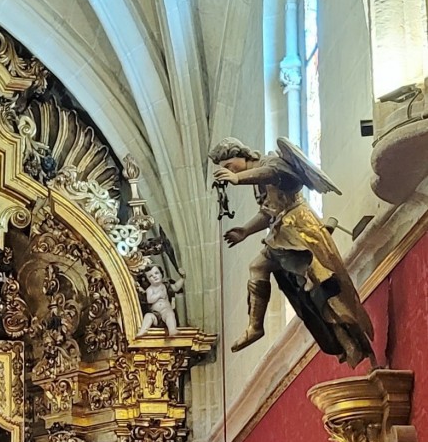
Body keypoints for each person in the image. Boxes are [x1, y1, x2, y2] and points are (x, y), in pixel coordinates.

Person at [209, 136, 375, 367]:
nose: (228, 170)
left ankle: (349, 334)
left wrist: (237, 178)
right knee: (258, 267)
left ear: (242, 155)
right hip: (282, 229)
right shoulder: (257, 182)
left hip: (299, 227)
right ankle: (255, 327)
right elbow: (269, 212)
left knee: (323, 287)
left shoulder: (272, 163)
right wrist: (245, 231)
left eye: (229, 165)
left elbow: (274, 174)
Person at [137, 264, 181, 337]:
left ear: (161, 274)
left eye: (156, 273)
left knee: (170, 314)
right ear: (147, 279)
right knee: (148, 316)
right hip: (155, 314)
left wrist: (182, 278)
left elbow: (176, 287)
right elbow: (150, 300)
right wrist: (158, 295)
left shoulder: (166, 286)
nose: (154, 276)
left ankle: (172, 330)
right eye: (150, 276)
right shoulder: (150, 289)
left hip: (165, 311)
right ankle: (143, 330)